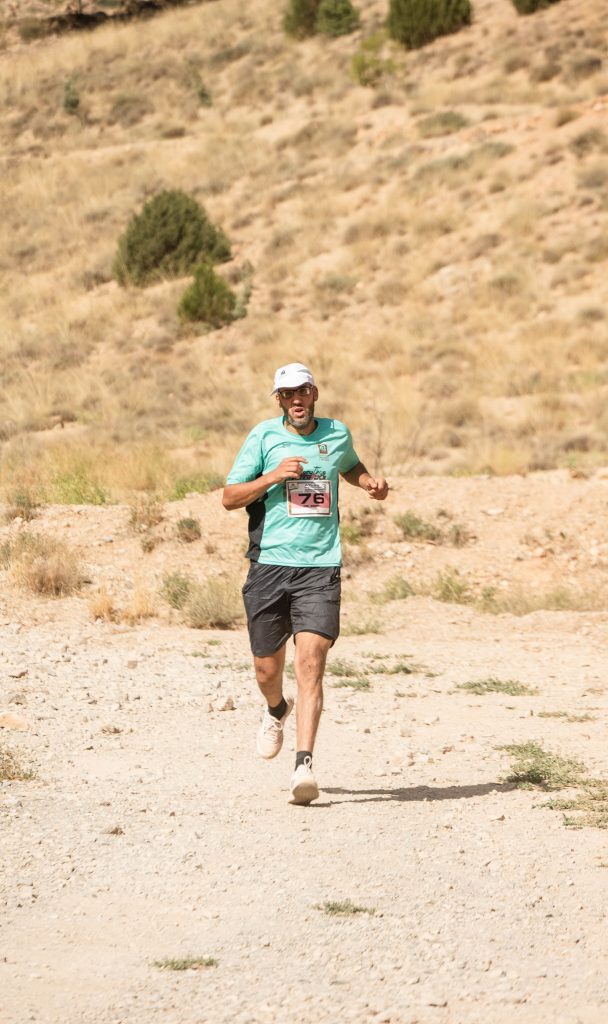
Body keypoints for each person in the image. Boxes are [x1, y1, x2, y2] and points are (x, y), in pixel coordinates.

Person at [222, 363, 388, 805]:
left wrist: (368, 482)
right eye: (287, 393)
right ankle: (276, 708)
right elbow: (229, 498)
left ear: (314, 393)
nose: (296, 399)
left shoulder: (337, 433)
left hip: (320, 567)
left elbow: (349, 465)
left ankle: (303, 766)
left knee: (311, 664)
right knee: (266, 669)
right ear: (278, 400)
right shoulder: (263, 437)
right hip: (269, 566)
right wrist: (274, 476)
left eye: (303, 391)